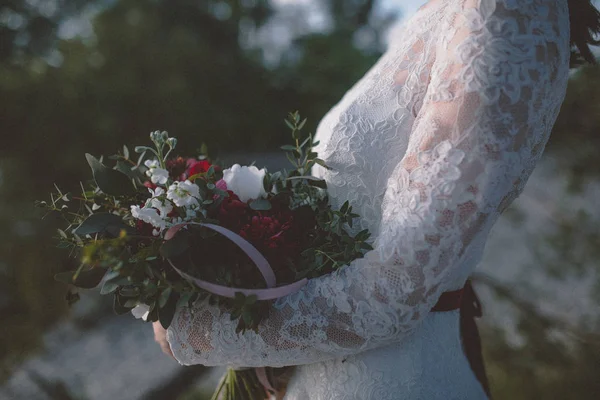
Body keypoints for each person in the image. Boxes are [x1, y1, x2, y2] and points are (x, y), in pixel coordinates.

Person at [154, 0, 600, 398]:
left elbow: (394, 288)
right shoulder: (439, 11)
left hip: (395, 379)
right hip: (330, 372)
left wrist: (202, 328)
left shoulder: (504, 12)